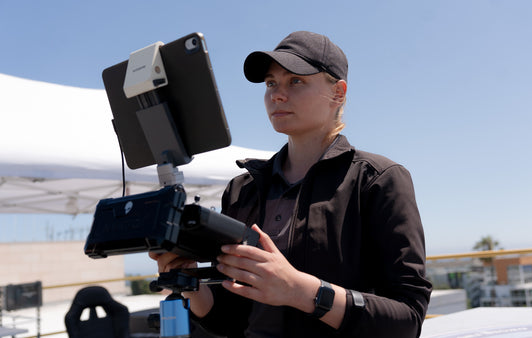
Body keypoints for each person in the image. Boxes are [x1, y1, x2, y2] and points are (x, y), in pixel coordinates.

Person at [150, 31, 432, 338]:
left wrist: (299, 290)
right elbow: (232, 320)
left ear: (338, 93)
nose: (277, 94)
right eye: (271, 83)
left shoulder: (378, 180)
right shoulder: (242, 190)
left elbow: (407, 320)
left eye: (295, 81)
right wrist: (190, 284)